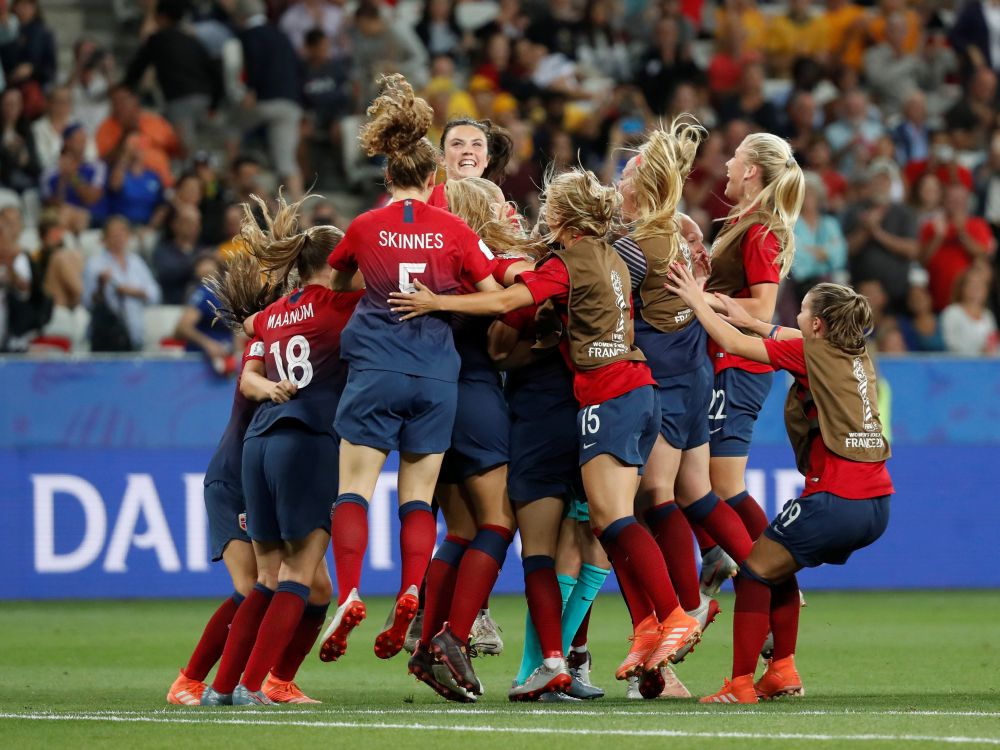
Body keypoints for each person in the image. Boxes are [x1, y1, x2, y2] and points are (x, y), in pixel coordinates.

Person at [390, 167, 702, 699]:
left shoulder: (541, 264)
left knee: (562, 532)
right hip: (628, 391)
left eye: (539, 207)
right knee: (585, 536)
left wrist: (444, 303)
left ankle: (622, 633)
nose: (522, 213)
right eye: (505, 208)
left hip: (559, 408)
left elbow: (503, 329)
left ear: (560, 215)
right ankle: (607, 644)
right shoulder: (604, 258)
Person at [318, 76, 501, 697]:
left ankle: (346, 594)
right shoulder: (455, 230)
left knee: (354, 489)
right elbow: (493, 291)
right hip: (437, 375)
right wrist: (443, 299)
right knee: (418, 498)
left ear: (387, 178)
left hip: (374, 369)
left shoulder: (366, 225)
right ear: (433, 181)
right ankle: (413, 589)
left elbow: (336, 282)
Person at [665, 267, 893, 703]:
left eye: (803, 310)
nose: (797, 314)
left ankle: (739, 685)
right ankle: (782, 670)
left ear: (818, 325)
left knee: (752, 572)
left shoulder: (810, 353)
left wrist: (696, 299)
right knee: (776, 565)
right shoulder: (855, 352)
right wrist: (752, 319)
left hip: (836, 499)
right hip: (877, 503)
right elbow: (787, 335)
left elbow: (733, 346)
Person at [200, 193, 363, 706]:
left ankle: (221, 689)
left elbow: (250, 333)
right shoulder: (346, 306)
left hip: (258, 444)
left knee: (266, 576)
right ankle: (253, 685)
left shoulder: (272, 315)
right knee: (298, 574)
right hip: (307, 441)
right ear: (336, 267)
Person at [167, 250, 332, 706]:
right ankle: (193, 679)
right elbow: (251, 379)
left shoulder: (280, 345)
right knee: (259, 583)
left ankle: (279, 680)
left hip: (271, 473)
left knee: (318, 589)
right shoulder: (266, 354)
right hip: (236, 478)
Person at [613, 119, 723, 700]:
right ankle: (690, 605)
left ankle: (673, 618)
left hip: (655, 383)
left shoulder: (633, 246)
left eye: (625, 178)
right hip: (692, 374)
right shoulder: (681, 231)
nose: (617, 186)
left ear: (641, 189)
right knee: (682, 495)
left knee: (637, 505)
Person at [694, 132, 804, 595]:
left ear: (752, 170)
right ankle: (727, 558)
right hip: (725, 363)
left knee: (721, 483)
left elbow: (761, 310)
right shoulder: (743, 222)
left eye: (735, 158)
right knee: (698, 481)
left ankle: (775, 578)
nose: (727, 166)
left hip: (739, 367)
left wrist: (701, 297)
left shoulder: (760, 228)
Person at [82, 216, 161, 351]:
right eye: (114, 234)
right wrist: (101, 286)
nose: (119, 237)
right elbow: (88, 302)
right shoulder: (95, 264)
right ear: (104, 238)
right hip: (106, 336)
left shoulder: (137, 262)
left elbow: (155, 295)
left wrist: (134, 292)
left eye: (123, 232)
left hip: (135, 334)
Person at [173, 252, 234, 369]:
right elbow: (183, 327)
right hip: (200, 362)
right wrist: (208, 344)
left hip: (227, 358)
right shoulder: (202, 292)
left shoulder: (228, 293)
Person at [940, 264, 998, 355]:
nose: (976, 289)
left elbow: (993, 343)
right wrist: (978, 353)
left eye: (980, 285)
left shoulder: (988, 315)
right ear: (962, 288)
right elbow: (951, 345)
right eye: (972, 284)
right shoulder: (952, 313)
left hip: (987, 366)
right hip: (961, 365)